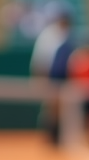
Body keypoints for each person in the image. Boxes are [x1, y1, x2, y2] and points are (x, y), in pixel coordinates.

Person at [30, 8, 73, 146]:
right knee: (51, 107)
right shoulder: (48, 35)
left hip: (67, 79)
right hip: (51, 78)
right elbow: (40, 60)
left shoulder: (70, 35)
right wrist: (41, 79)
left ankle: (61, 136)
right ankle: (51, 137)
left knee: (64, 108)